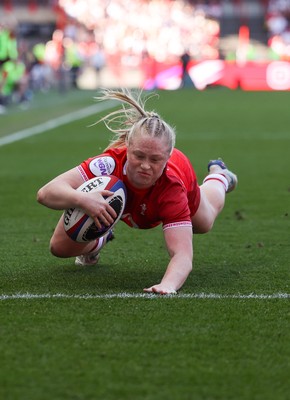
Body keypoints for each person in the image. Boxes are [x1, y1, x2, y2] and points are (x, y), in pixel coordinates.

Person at [37, 88, 237, 295]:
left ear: (168, 157)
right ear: (128, 147)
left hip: (179, 184)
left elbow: (182, 255)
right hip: (111, 202)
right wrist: (83, 199)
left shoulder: (173, 188)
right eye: (139, 156)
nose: (145, 166)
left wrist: (168, 284)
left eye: (155, 159)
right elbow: (46, 193)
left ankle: (220, 175)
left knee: (204, 223)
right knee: (59, 248)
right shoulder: (107, 165)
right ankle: (100, 241)